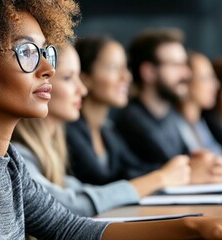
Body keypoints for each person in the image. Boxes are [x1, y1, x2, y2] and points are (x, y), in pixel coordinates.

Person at [0, 1, 222, 239]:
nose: (49, 68)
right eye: (27, 52)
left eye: (46, 52)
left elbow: (75, 230)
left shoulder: (7, 163)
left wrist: (195, 228)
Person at [12, 43, 190, 217]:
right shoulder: (20, 153)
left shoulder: (101, 131)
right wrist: (161, 178)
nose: (82, 89)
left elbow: (89, 189)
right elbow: (72, 203)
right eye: (68, 78)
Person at [115, 29, 222, 184]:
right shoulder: (132, 121)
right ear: (148, 72)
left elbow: (187, 162)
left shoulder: (169, 117)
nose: (186, 74)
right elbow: (170, 171)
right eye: (176, 65)